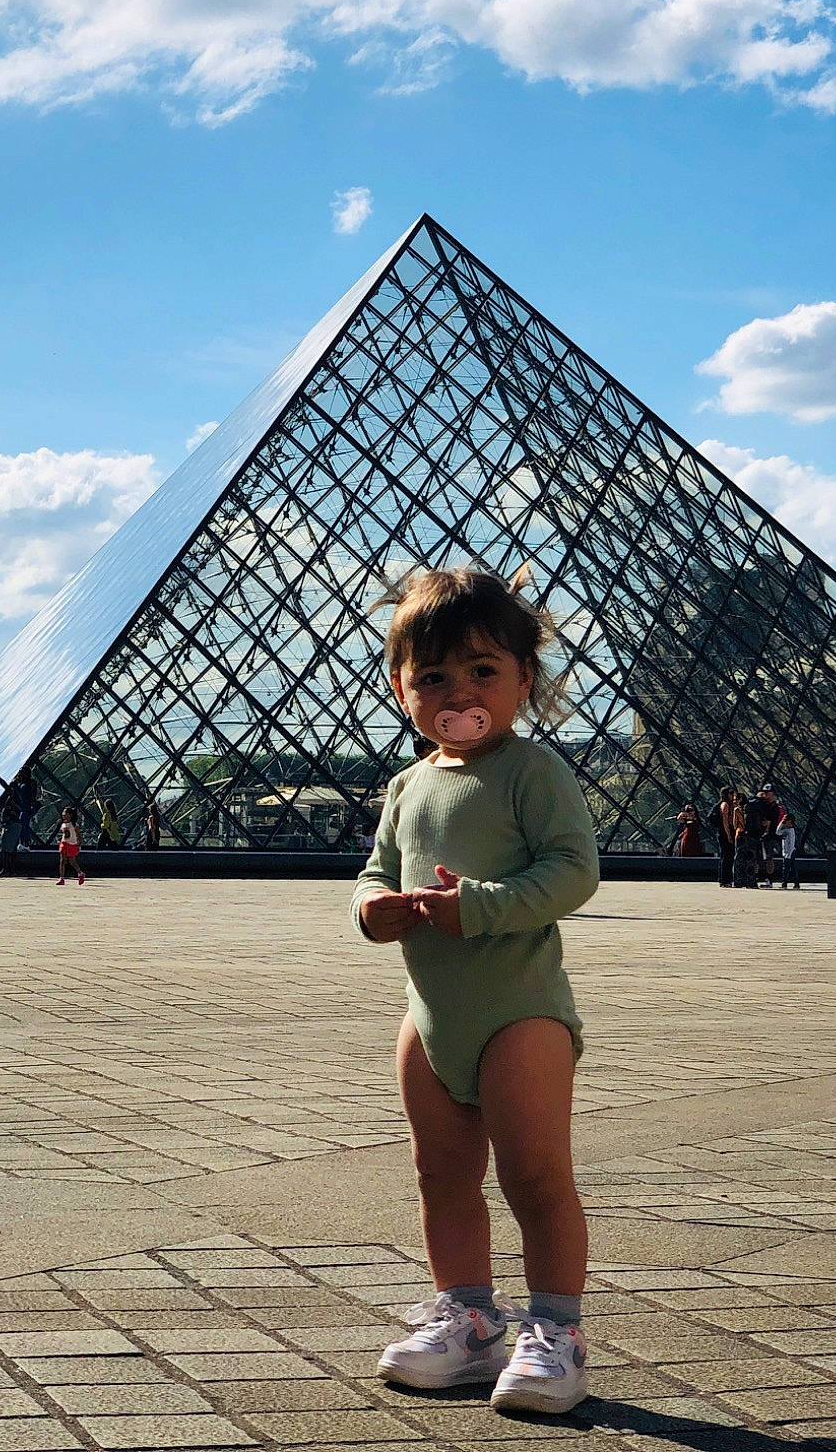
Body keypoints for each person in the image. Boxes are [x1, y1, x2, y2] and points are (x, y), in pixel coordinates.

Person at [352, 565, 598, 1416]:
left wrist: (481, 906)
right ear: (401, 689)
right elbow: (377, 870)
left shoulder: (532, 772)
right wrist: (371, 910)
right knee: (440, 1176)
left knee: (535, 1175)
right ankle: (467, 1316)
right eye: (433, 676)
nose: (459, 690)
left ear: (526, 681)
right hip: (430, 1017)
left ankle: (557, 1332)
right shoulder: (406, 785)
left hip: (519, 1013)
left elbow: (574, 870)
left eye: (483, 670)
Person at [715, 788, 741, 889]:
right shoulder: (725, 805)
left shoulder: (729, 805)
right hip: (725, 833)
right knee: (727, 857)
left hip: (728, 832)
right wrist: (729, 835)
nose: (733, 795)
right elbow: (725, 822)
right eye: (731, 793)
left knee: (728, 856)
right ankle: (725, 880)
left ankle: (725, 879)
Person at [56, 806, 86, 885]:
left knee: (72, 861)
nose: (63, 814)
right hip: (64, 843)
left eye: (65, 813)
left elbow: (79, 835)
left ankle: (80, 873)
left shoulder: (74, 825)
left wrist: (79, 844)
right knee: (62, 860)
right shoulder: (63, 824)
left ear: (70, 815)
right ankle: (61, 878)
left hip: (72, 844)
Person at [777, 812, 798, 889]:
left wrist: (788, 855)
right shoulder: (786, 830)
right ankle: (796, 883)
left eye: (785, 820)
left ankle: (784, 883)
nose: (784, 821)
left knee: (785, 869)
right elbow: (778, 832)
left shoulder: (791, 831)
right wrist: (781, 823)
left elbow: (791, 844)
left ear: (790, 821)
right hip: (787, 852)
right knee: (792, 868)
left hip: (789, 852)